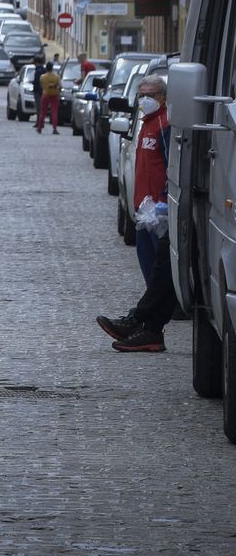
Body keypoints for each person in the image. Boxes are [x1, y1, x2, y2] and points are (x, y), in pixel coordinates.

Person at [97, 74, 175, 352]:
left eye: (150, 94)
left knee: (161, 272)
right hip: (143, 212)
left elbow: (172, 167)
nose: (145, 99)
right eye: (141, 94)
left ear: (163, 98)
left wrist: (165, 202)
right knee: (151, 269)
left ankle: (142, 324)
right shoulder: (146, 123)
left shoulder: (165, 124)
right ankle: (147, 328)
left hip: (159, 213)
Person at [36, 60, 61, 133]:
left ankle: (40, 127)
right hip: (55, 95)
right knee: (54, 112)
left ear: (46, 68)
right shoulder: (57, 76)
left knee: (43, 112)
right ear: (52, 68)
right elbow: (60, 86)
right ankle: (54, 129)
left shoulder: (42, 77)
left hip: (45, 94)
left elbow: (42, 86)